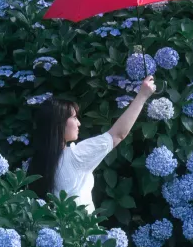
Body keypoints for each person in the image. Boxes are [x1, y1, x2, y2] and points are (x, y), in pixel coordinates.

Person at [27, 77, 156, 214]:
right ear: (58, 124)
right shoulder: (76, 156)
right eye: (74, 117)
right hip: (81, 231)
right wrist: (142, 95)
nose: (79, 123)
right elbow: (118, 134)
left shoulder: (36, 163)